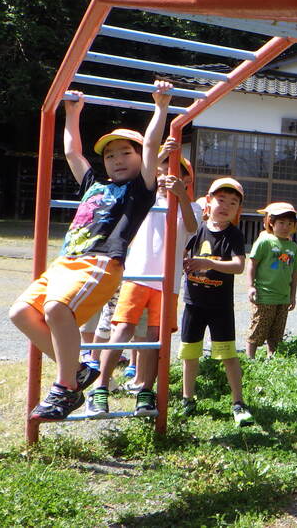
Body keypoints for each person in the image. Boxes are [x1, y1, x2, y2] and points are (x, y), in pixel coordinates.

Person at [8, 82, 173, 421]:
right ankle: (80, 370)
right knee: (21, 313)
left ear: (141, 159)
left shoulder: (139, 189)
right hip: (65, 262)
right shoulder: (94, 184)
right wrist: (72, 114)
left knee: (56, 308)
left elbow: (153, 143)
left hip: (100, 261)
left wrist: (160, 107)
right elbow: (72, 153)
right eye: (110, 155)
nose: (116, 159)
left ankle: (66, 388)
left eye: (126, 152)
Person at [86, 146, 199, 418]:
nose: (164, 176)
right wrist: (159, 155)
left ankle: (146, 391)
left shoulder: (187, 205)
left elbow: (192, 228)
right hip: (137, 276)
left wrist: (181, 196)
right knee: (121, 329)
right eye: (160, 170)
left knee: (154, 337)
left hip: (167, 283)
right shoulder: (144, 198)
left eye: (172, 173)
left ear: (185, 181)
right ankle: (100, 387)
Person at [180, 177, 254, 426]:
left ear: (237, 211)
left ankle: (238, 402)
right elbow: (183, 252)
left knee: (228, 355)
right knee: (190, 355)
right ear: (208, 202)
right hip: (193, 303)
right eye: (221, 200)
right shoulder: (197, 228)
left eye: (232, 203)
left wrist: (209, 263)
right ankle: (187, 398)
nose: (225, 206)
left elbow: (239, 265)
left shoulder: (233, 234)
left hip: (220, 307)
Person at [246, 202, 297, 359]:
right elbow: (252, 263)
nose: (286, 227)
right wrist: (250, 286)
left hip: (283, 297)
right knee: (259, 327)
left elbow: (294, 273)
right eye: (281, 223)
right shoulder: (265, 241)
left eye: (290, 224)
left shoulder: (294, 247)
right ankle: (250, 359)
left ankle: (272, 358)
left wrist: (293, 296)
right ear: (271, 222)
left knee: (277, 332)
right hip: (264, 295)